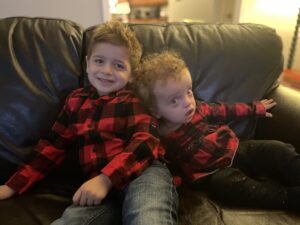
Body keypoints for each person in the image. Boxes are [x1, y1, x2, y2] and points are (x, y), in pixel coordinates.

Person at [0, 21, 178, 225]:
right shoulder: (76, 101)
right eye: (99, 61)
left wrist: (107, 179)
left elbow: (146, 142)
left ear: (132, 75)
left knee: (148, 217)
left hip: (141, 175)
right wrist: (13, 186)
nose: (107, 70)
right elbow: (52, 147)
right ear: (87, 63)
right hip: (96, 187)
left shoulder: (134, 100)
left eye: (119, 65)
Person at [132, 50, 300, 211]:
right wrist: (176, 182)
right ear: (155, 110)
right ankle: (288, 197)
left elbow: (226, 110)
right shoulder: (159, 136)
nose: (187, 102)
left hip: (235, 149)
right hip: (210, 174)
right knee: (225, 187)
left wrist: (255, 108)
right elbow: (164, 166)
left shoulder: (199, 108)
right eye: (174, 100)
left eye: (188, 92)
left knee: (278, 149)